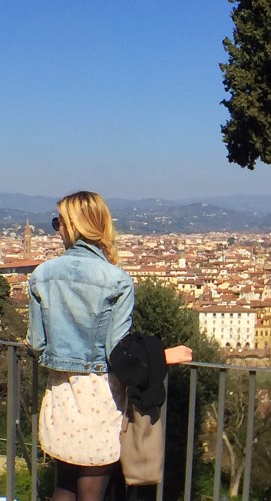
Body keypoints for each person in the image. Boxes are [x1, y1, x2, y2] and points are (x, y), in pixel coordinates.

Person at [26, 191, 192, 501]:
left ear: (73, 226)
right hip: (101, 396)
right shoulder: (117, 281)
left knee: (64, 482)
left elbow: (36, 343)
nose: (56, 230)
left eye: (57, 223)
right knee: (94, 488)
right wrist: (162, 356)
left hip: (61, 392)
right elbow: (119, 353)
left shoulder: (41, 275)